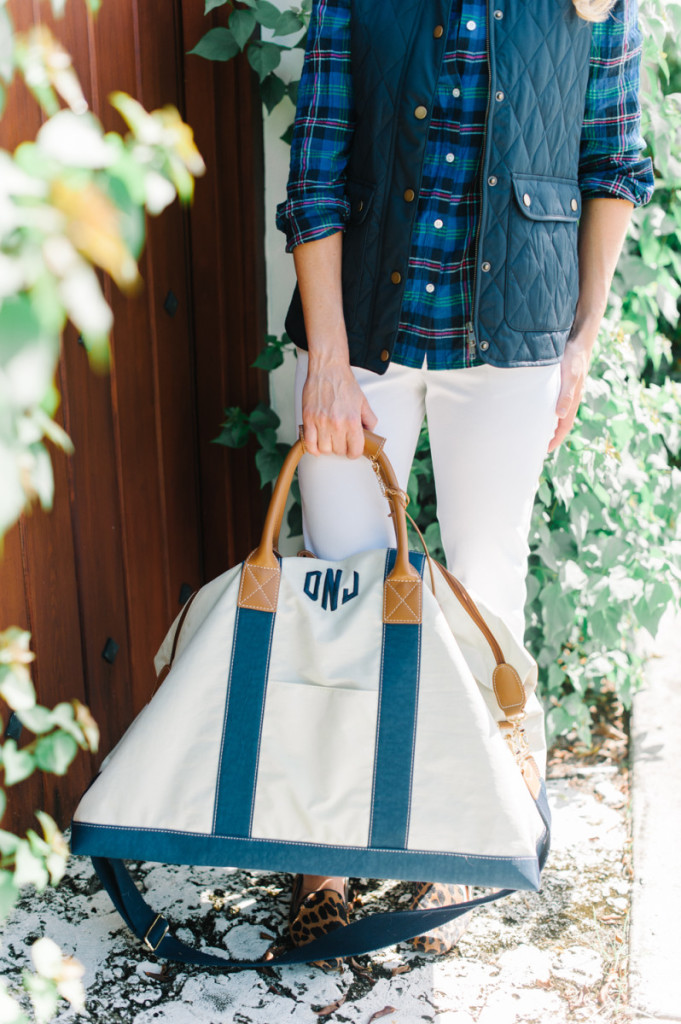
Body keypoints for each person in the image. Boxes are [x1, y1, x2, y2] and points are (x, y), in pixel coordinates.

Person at [276, 0, 653, 962]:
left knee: (486, 589)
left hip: (515, 331)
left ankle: (459, 828)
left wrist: (581, 342)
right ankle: (324, 856)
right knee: (342, 586)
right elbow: (314, 166)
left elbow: (611, 161)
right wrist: (325, 354)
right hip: (358, 336)